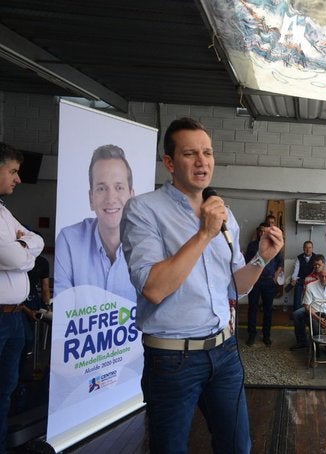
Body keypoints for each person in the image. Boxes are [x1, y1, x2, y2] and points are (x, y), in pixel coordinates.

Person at [120, 117, 284, 453]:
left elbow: (235, 288)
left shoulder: (224, 215)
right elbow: (153, 288)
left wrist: (262, 259)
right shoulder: (144, 210)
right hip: (172, 360)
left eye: (207, 153)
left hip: (224, 352)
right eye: (190, 153)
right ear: (169, 163)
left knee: (237, 446)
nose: (202, 162)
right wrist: (204, 233)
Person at [0, 143, 45, 454]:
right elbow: (13, 257)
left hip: (14, 317)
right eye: (13, 171)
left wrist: (23, 247)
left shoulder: (4, 211)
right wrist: (24, 250)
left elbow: (36, 240)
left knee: (5, 392)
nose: (18, 179)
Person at [54, 144, 136, 301]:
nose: (111, 199)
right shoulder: (69, 241)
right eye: (101, 188)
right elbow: (64, 310)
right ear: (91, 199)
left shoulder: (150, 245)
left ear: (132, 197)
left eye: (119, 187)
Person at [245, 223, 283, 347]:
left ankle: (266, 335)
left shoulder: (274, 245)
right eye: (260, 231)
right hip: (254, 281)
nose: (262, 233)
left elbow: (280, 262)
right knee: (253, 308)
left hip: (268, 281)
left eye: (264, 232)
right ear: (258, 232)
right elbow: (247, 262)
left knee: (268, 310)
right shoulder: (252, 246)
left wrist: (275, 276)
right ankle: (251, 334)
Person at [290, 265, 326, 351]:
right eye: (322, 276)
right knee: (315, 329)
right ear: (318, 275)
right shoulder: (310, 286)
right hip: (316, 312)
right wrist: (318, 318)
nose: (324, 279)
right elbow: (307, 306)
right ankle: (314, 352)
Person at [290, 241, 315, 311]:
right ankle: (296, 311)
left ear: (312, 248)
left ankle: (312, 311)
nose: (308, 249)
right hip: (301, 280)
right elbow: (296, 270)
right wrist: (293, 279)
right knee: (297, 287)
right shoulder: (299, 258)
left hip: (312, 280)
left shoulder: (316, 257)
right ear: (303, 248)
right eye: (306, 248)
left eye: (310, 248)